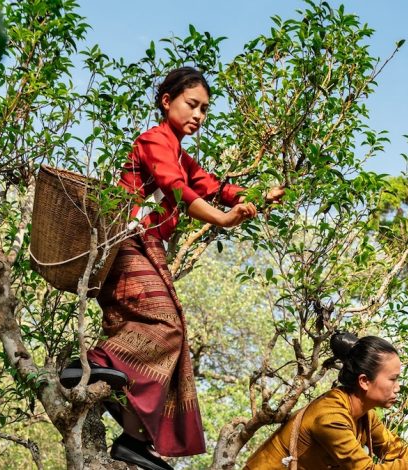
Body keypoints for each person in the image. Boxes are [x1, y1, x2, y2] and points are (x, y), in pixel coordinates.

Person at [61, 67, 283, 470]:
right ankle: (86, 364)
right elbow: (177, 187)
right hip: (124, 240)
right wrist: (221, 218)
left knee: (174, 342)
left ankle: (133, 439)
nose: (199, 115)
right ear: (167, 101)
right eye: (191, 104)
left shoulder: (180, 152)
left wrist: (259, 198)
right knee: (166, 325)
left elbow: (211, 185)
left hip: (149, 245)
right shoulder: (153, 141)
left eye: (204, 109)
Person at [245, 333, 408, 470]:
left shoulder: (364, 415)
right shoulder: (330, 416)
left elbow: (397, 452)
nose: (398, 387)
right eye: (393, 379)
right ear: (364, 381)